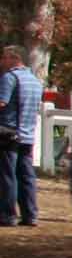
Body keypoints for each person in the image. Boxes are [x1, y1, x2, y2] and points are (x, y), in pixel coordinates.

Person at [0, 44, 41, 227]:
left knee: (7, 175)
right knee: (26, 176)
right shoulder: (34, 80)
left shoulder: (9, 77)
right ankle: (30, 215)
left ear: (15, 58)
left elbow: (2, 102)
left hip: (8, 132)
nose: (2, 61)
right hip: (27, 134)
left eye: (4, 57)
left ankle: (7, 215)